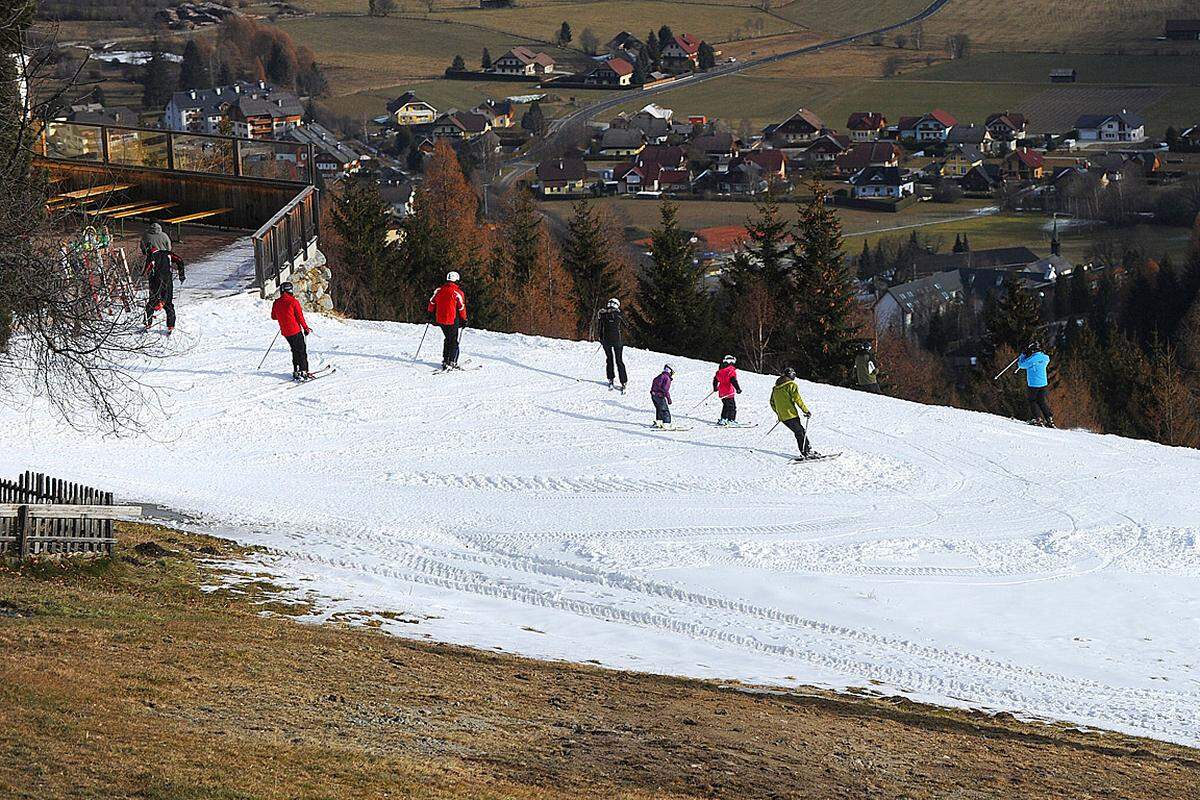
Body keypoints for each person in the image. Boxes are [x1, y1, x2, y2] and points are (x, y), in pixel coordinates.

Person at [271, 281, 313, 380]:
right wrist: (306, 328)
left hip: (286, 332)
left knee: (294, 350)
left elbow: (273, 316)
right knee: (301, 350)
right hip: (295, 330)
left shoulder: (276, 302)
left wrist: (283, 317)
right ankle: (304, 371)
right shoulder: (293, 302)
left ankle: (296, 371)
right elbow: (300, 317)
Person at [770, 367, 814, 458]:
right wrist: (806, 411)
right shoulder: (791, 385)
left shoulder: (775, 388)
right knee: (800, 432)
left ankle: (807, 450)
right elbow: (798, 399)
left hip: (783, 418)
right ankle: (806, 452)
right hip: (791, 415)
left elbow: (772, 402)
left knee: (800, 431)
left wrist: (778, 413)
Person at [428, 272, 468, 370]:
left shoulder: (439, 290)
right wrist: (464, 319)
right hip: (452, 319)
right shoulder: (457, 292)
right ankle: (451, 361)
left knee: (448, 338)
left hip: (440, 319)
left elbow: (432, 302)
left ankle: (445, 360)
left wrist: (430, 313)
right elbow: (461, 307)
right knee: (453, 341)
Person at [143, 245, 185, 333]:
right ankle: (171, 326)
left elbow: (147, 268)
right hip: (167, 281)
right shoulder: (168, 254)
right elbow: (180, 260)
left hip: (155, 282)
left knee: (151, 303)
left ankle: (148, 324)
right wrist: (181, 274)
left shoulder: (151, 256)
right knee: (168, 303)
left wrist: (144, 274)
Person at [1017, 341, 1054, 427]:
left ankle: (1038, 419)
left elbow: (1021, 365)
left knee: (1032, 401)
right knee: (1041, 401)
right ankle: (1049, 419)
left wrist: (1023, 355)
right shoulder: (1045, 358)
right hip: (1043, 383)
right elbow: (1045, 358)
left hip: (1034, 384)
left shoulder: (1031, 359)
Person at [597, 298, 628, 391]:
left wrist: (601, 339)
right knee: (619, 361)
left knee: (609, 359)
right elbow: (626, 325)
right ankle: (623, 381)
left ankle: (611, 378)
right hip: (617, 341)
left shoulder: (602, 314)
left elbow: (600, 328)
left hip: (606, 341)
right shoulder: (619, 315)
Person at [713, 355, 742, 426]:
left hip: (722, 392)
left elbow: (715, 380)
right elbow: (733, 380)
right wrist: (737, 388)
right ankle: (731, 420)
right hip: (729, 392)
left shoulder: (719, 371)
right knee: (732, 407)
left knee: (726, 406)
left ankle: (723, 419)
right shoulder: (730, 371)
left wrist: (715, 388)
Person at [650, 364, 674, 428]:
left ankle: (659, 421)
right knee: (665, 410)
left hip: (653, 395)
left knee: (659, 409)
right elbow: (665, 390)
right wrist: (669, 399)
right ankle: (667, 423)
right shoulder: (667, 378)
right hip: (660, 396)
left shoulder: (659, 376)